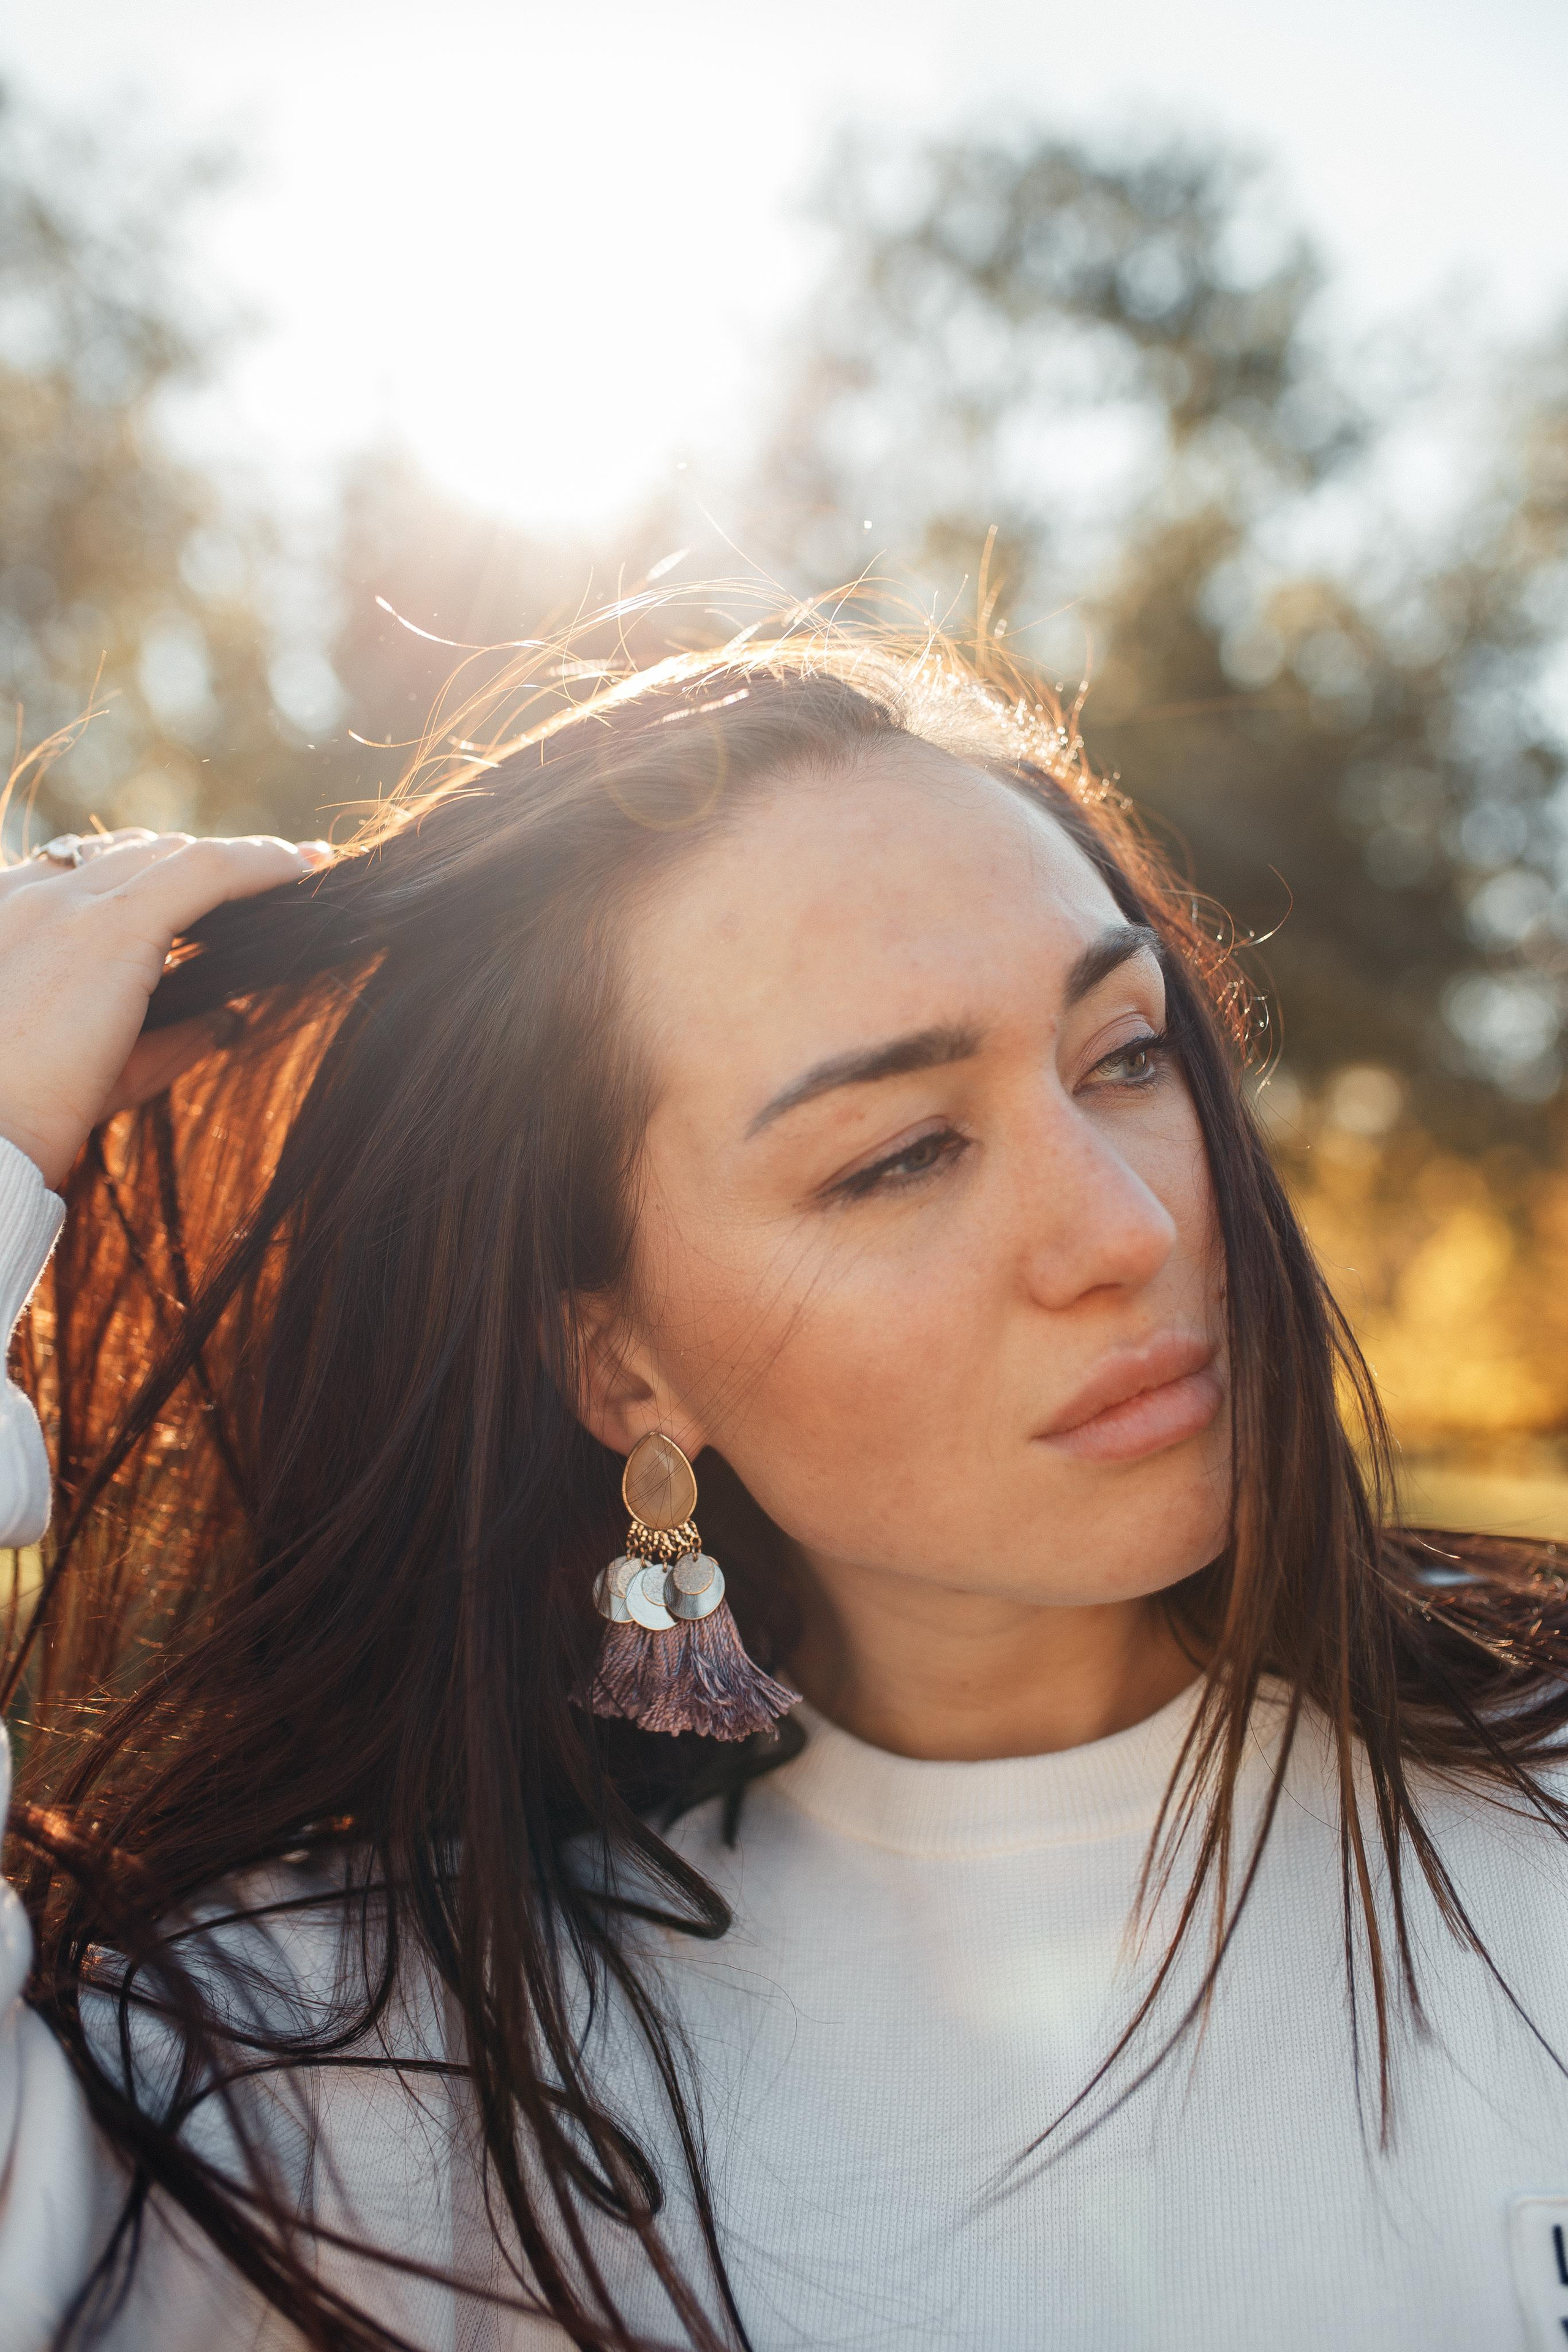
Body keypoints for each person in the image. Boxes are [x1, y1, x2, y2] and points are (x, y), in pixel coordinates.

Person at [3, 630, 1568, 2352]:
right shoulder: (355, 2075)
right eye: (899, 1157)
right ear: (622, 1371)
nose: (1129, 1229)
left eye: (1126, 1054)